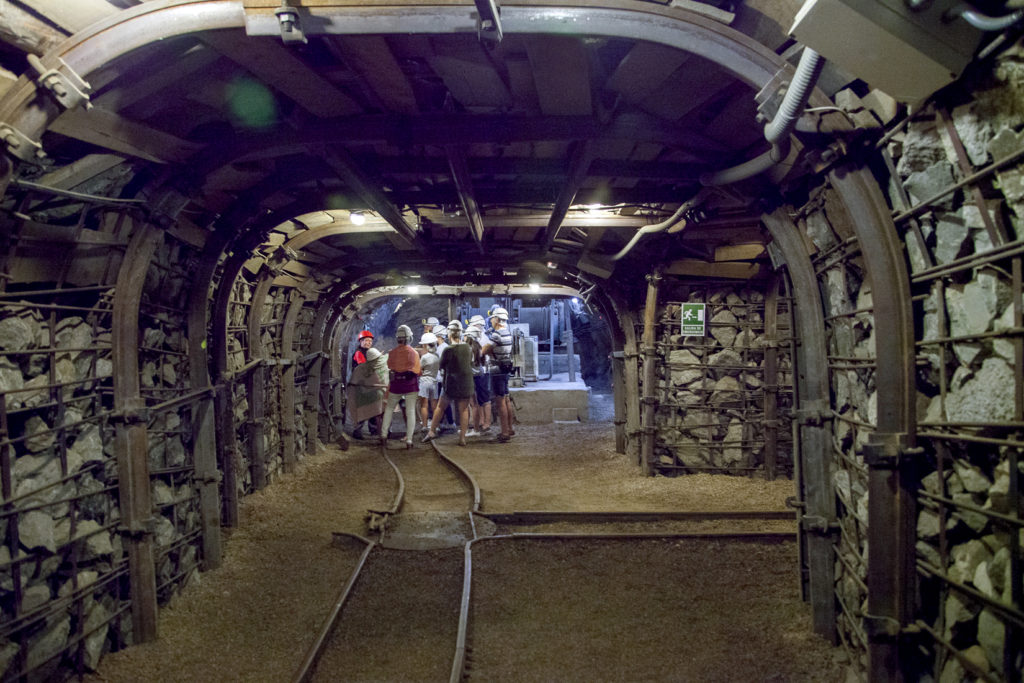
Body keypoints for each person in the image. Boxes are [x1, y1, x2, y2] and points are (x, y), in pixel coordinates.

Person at [423, 320, 473, 446]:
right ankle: (462, 438)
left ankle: (432, 432)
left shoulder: (448, 350)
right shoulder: (468, 347)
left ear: (449, 334)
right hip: (466, 383)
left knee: (440, 406)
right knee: (464, 410)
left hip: (451, 383)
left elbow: (441, 366)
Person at [380, 324, 421, 448]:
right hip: (410, 385)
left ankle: (383, 436)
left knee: (389, 409)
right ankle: (409, 440)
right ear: (409, 338)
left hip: (396, 383)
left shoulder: (392, 353)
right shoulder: (414, 353)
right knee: (410, 411)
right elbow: (418, 371)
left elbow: (389, 366)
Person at [483, 306, 514, 442]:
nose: (491, 321)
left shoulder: (497, 334)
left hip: (497, 370)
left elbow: (484, 350)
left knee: (500, 400)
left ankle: (504, 432)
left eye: (492, 319)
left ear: (497, 319)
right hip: (505, 368)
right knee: (506, 399)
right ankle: (510, 428)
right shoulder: (507, 332)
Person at [347, 347, 387, 440]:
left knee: (363, 412)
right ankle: (378, 431)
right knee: (378, 412)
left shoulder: (361, 368)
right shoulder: (382, 365)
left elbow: (353, 382)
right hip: (377, 395)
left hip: (364, 395)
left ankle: (359, 430)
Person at [465, 319, 491, 437]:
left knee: (475, 403)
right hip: (481, 375)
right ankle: (481, 423)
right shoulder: (479, 347)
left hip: (473, 377)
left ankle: (480, 426)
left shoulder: (468, 349)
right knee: (481, 400)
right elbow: (484, 361)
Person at [349, 329, 378, 438]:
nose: (368, 343)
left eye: (370, 341)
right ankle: (357, 431)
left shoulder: (370, 353)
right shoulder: (358, 353)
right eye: (366, 340)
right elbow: (364, 367)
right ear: (360, 341)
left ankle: (374, 430)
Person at [417, 332, 440, 437]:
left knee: (424, 405)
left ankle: (425, 426)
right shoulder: (437, 356)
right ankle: (436, 425)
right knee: (434, 405)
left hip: (425, 382)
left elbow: (419, 370)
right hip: (434, 382)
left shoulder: (425, 357)